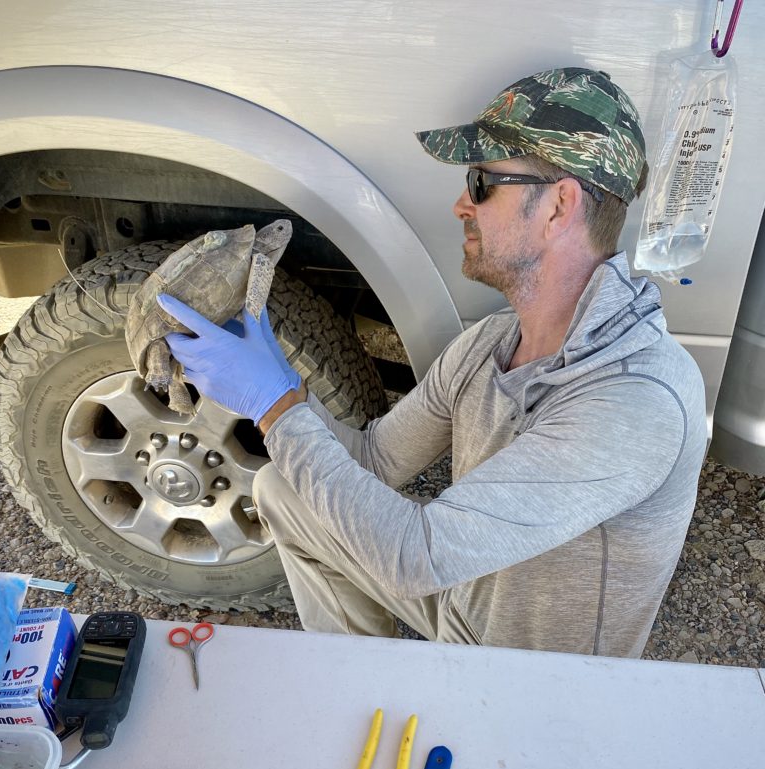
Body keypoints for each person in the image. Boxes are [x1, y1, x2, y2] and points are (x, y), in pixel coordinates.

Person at [157, 66, 707, 659]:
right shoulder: (491, 344)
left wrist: (277, 407)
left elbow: (416, 557)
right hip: (458, 600)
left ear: (558, 205)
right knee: (282, 485)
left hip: (533, 682)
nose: (460, 204)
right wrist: (277, 382)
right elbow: (373, 460)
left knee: (360, 515)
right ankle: (360, 675)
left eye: (481, 182)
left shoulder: (635, 399)